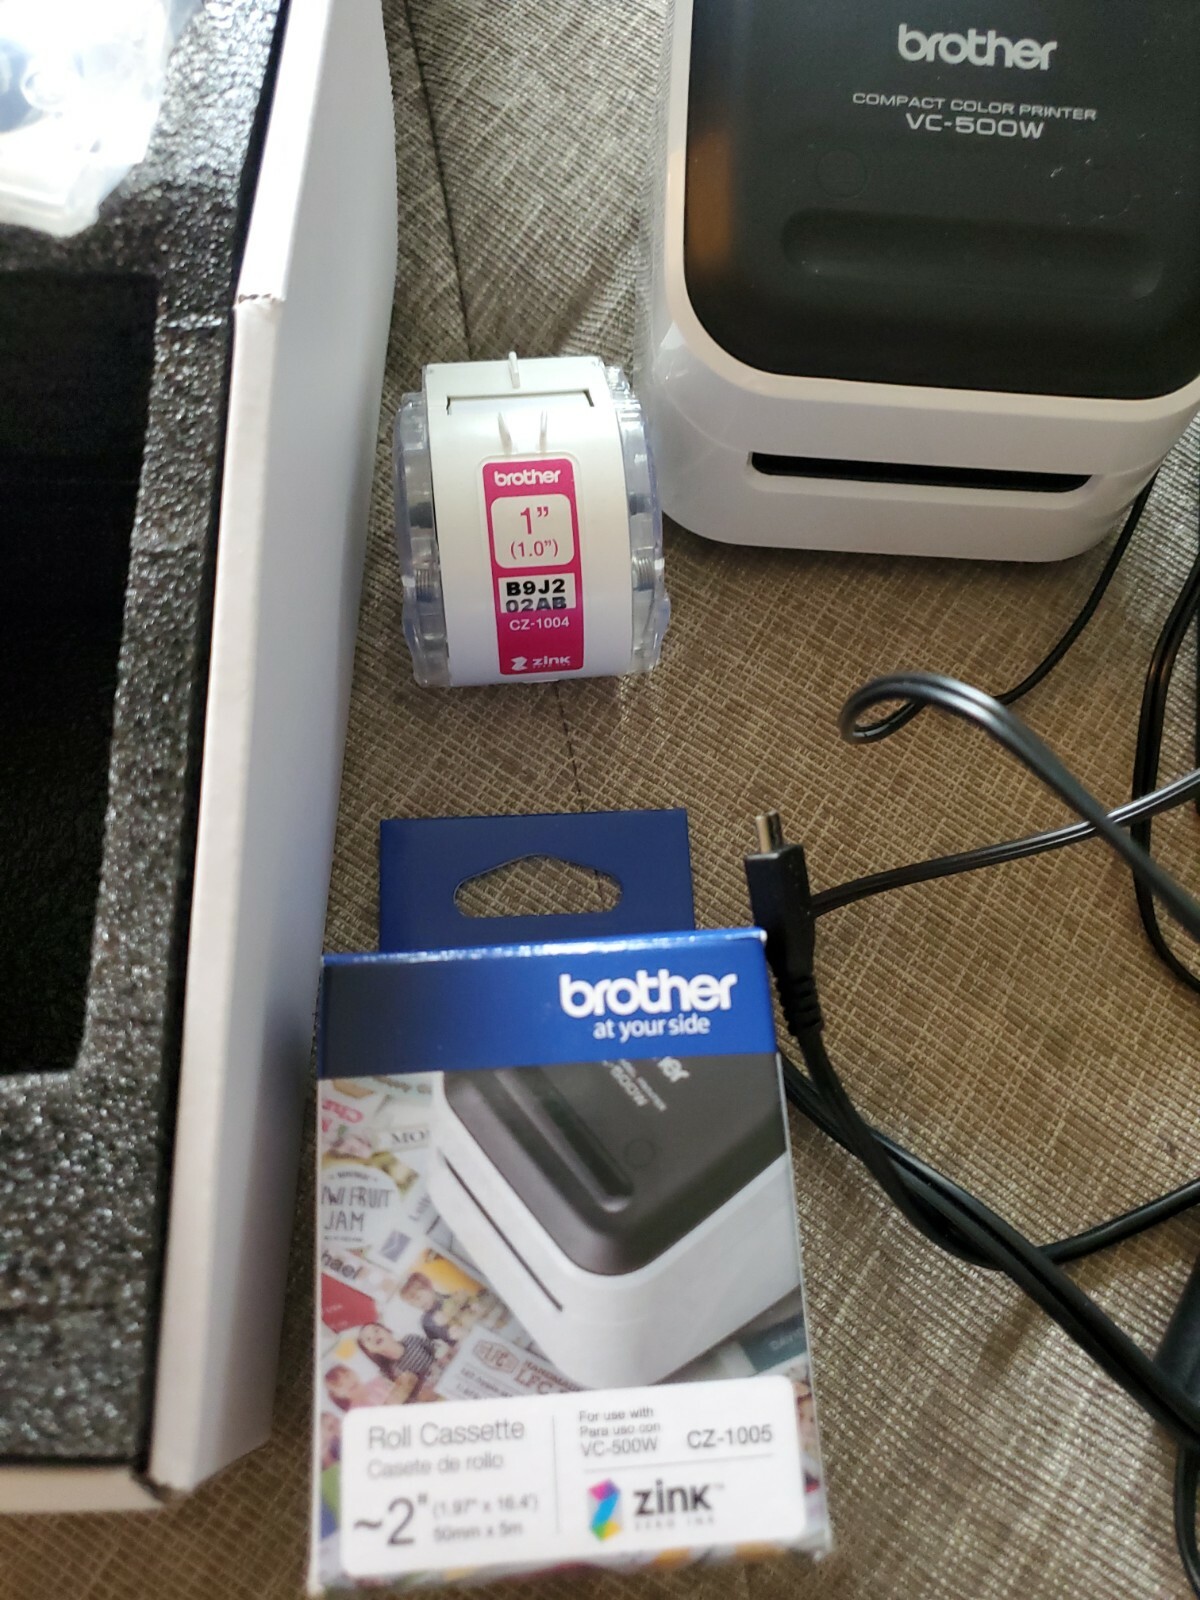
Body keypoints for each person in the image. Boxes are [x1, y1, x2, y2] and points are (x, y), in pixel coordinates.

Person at [358, 1321, 437, 1385]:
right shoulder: (386, 1373)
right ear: (369, 1350)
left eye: (376, 1330)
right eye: (368, 1339)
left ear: (387, 1330)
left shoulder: (411, 1339)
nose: (374, 1336)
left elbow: (438, 1350)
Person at [400, 1272, 460, 1347]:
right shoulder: (425, 1322)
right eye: (412, 1304)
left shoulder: (452, 1298)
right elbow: (437, 1342)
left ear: (428, 1286)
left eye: (418, 1297)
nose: (418, 1304)